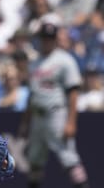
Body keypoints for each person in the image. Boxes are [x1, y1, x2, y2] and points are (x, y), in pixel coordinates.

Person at [18, 23, 90, 188]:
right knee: (34, 160)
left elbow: (73, 92)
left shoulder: (64, 60)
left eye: (49, 38)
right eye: (44, 38)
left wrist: (71, 122)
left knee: (69, 157)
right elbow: (31, 95)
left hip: (56, 114)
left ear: (55, 39)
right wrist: (25, 123)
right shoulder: (35, 62)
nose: (46, 42)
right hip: (37, 116)